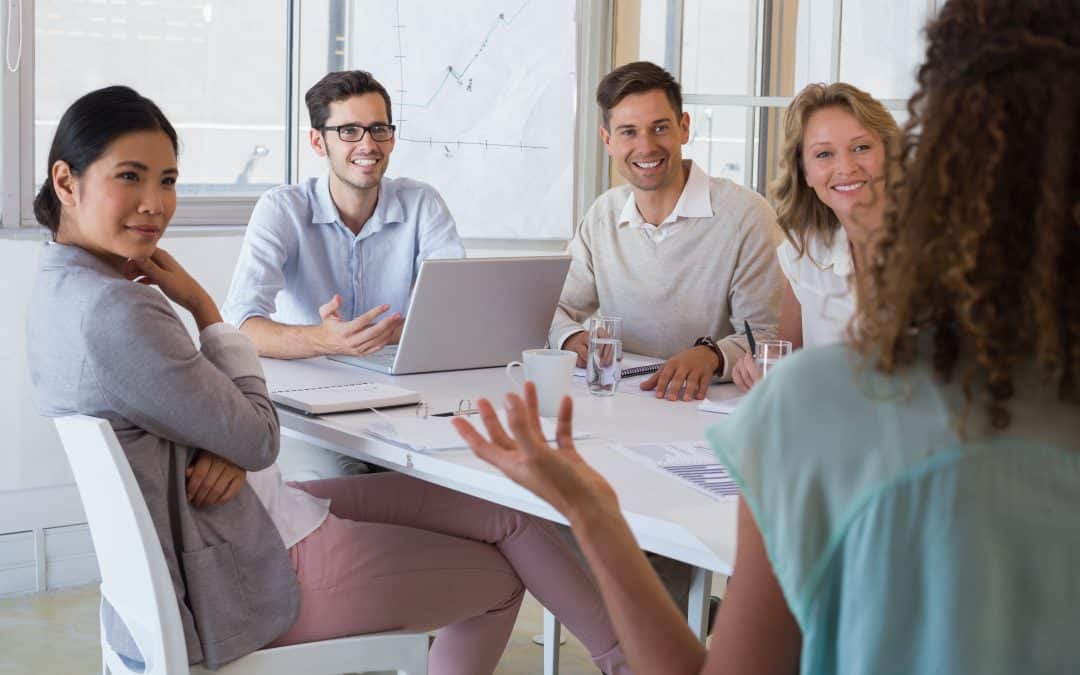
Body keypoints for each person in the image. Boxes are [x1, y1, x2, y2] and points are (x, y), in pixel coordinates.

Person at [455, 0, 1080, 673]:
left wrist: (589, 508)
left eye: (863, 147)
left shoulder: (815, 399)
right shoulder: (630, 225)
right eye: (826, 154)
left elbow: (765, 348)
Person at [26, 85, 629, 675]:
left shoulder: (64, 289)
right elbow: (258, 437)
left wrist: (225, 437)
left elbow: (211, 420)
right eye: (129, 176)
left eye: (167, 180)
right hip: (250, 562)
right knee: (504, 577)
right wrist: (205, 309)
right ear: (65, 181)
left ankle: (625, 664)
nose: (155, 203)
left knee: (506, 514)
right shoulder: (122, 308)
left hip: (254, 512)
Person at [549, 61, 784, 403]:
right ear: (607, 140)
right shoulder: (603, 215)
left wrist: (713, 355)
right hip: (623, 402)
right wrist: (569, 337)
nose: (646, 147)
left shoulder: (746, 215)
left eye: (659, 128)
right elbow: (551, 307)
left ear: (684, 128)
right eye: (629, 131)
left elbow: (769, 335)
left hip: (711, 408)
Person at [221, 70, 465, 360]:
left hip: (394, 377)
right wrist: (322, 340)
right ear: (317, 142)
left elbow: (455, 312)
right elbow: (239, 323)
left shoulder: (422, 204)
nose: (368, 145)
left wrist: (388, 333)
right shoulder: (282, 209)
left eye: (378, 129)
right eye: (349, 131)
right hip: (308, 379)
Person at [731, 83, 900, 391]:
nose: (846, 167)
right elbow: (786, 364)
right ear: (805, 173)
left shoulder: (939, 249)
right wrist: (761, 374)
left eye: (861, 147)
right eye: (824, 154)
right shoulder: (804, 252)